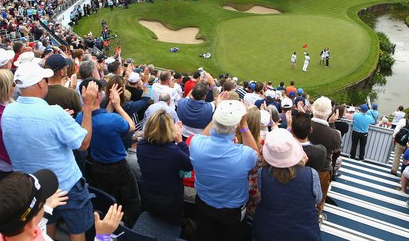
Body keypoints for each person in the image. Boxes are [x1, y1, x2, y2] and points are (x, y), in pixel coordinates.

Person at [1, 62, 100, 241]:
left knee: (46, 224)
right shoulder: (53, 114)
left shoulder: (8, 111)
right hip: (66, 186)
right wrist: (88, 107)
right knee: (76, 230)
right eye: (45, 80)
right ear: (40, 84)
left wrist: (60, 118)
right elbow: (84, 143)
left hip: (33, 187)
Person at [0, 169, 124, 241]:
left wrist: (47, 208)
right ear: (31, 222)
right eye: (42, 201)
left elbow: (27, 227)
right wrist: (102, 236)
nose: (45, 202)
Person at [75, 77, 141, 226]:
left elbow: (97, 118)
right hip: (118, 167)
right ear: (98, 95)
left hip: (98, 166)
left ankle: (108, 225)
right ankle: (130, 231)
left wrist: (111, 104)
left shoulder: (80, 118)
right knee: (133, 200)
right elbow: (131, 127)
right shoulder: (112, 120)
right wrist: (118, 106)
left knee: (107, 197)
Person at [189, 100, 258, 241]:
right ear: (236, 126)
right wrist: (244, 125)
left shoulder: (196, 143)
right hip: (230, 213)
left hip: (204, 206)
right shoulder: (245, 155)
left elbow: (204, 136)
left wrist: (218, 114)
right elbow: (255, 153)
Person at [252, 129, 321, 241]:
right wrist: (303, 167)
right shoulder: (311, 174)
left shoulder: (262, 173)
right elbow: (317, 199)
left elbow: (261, 197)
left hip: (268, 231)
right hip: (303, 233)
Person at [136, 109, 193, 224]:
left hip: (148, 191)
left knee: (154, 220)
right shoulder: (174, 152)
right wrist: (180, 141)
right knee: (172, 222)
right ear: (168, 131)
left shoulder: (141, 145)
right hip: (170, 195)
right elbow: (188, 165)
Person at [307, 97, 340, 211]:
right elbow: (336, 150)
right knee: (319, 200)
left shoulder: (303, 125)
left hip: (302, 166)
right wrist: (332, 125)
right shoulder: (334, 133)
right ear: (330, 112)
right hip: (322, 170)